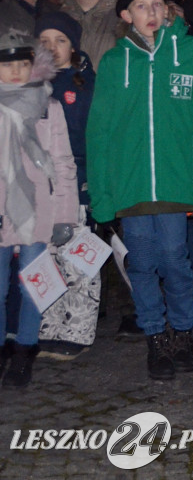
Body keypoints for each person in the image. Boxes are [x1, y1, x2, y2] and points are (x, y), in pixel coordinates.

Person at [86, 0, 193, 380]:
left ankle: (183, 331)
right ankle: (155, 335)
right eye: (141, 7)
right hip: (130, 188)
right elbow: (100, 133)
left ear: (167, 11)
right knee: (142, 264)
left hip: (178, 183)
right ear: (126, 15)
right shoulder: (114, 63)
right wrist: (103, 198)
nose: (150, 13)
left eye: (157, 6)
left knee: (176, 261)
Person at [0, 32, 79, 388]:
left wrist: (66, 214)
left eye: (23, 63)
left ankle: (24, 352)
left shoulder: (50, 107)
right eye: (7, 64)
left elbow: (63, 164)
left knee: (33, 284)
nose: (16, 71)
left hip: (39, 210)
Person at [33, 13, 99, 360]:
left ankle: (78, 329)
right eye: (44, 41)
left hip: (75, 184)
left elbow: (96, 137)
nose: (52, 48)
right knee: (44, 260)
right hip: (36, 188)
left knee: (77, 262)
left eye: (60, 40)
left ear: (73, 46)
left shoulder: (85, 83)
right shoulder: (26, 86)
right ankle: (49, 325)